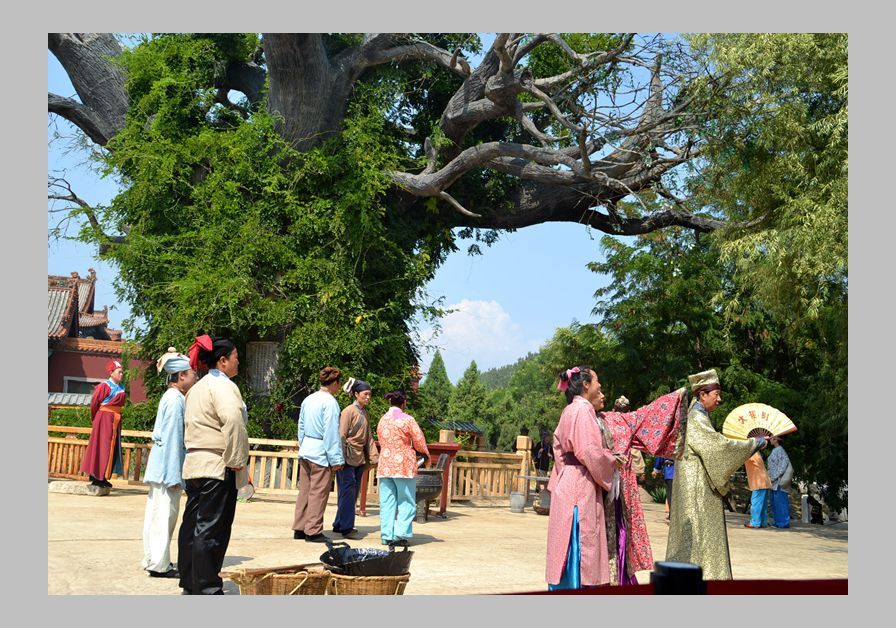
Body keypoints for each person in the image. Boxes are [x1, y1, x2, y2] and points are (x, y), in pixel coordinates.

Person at [665, 369, 767, 580]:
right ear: (702, 395)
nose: (719, 399)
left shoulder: (695, 417)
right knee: (699, 537)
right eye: (716, 394)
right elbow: (718, 448)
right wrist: (754, 444)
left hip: (695, 486)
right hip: (697, 490)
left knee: (693, 539)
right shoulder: (696, 419)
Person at [177, 335, 249, 595]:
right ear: (222, 360)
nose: (238, 362)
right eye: (235, 357)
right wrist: (237, 461)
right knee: (212, 528)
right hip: (218, 465)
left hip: (195, 463)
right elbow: (233, 421)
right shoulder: (224, 387)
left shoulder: (195, 388)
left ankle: (190, 581)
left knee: (192, 525)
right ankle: (207, 586)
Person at [545, 367, 625, 589]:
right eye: (597, 381)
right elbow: (589, 451)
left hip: (568, 481)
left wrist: (565, 474)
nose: (600, 386)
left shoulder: (568, 410)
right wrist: (611, 461)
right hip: (581, 485)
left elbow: (559, 451)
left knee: (564, 543)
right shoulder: (584, 410)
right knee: (581, 543)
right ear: (586, 384)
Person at [599, 389, 688, 585]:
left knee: (613, 528)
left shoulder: (601, 418)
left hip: (606, 480)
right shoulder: (619, 420)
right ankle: (615, 576)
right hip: (615, 481)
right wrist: (677, 395)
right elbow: (652, 412)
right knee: (617, 528)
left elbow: (650, 412)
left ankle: (609, 576)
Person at [142, 348, 197, 578]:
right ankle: (160, 564)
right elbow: (175, 439)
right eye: (192, 372)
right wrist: (176, 476)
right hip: (167, 468)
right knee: (165, 517)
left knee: (155, 515)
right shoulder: (176, 401)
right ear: (181, 376)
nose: (195, 376)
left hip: (160, 464)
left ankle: (152, 559)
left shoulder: (170, 397)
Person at [293, 367, 345, 542]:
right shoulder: (330, 403)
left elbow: (300, 425)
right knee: (318, 493)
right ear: (335, 383)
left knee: (305, 491)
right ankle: (313, 530)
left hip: (306, 448)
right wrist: (336, 459)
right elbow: (330, 433)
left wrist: (303, 445)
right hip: (321, 452)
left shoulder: (309, 399)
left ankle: (300, 527)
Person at [376, 390, 430, 546]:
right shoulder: (407, 420)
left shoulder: (382, 420)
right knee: (406, 500)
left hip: (385, 463)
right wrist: (425, 454)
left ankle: (386, 535)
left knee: (387, 501)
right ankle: (400, 535)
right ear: (404, 402)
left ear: (390, 402)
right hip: (403, 464)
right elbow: (419, 439)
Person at [331, 377, 379, 538]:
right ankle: (346, 527)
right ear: (356, 394)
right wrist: (339, 458)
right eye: (365, 394)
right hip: (347, 457)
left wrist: (374, 457)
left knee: (352, 492)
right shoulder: (348, 411)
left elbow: (369, 437)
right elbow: (341, 435)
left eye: (369, 394)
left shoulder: (365, 413)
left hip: (359, 457)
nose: (368, 397)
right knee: (347, 492)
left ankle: (339, 524)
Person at [81, 359, 126, 488]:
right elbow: (95, 403)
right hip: (104, 418)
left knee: (112, 447)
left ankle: (105, 475)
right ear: (111, 373)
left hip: (115, 419)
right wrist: (97, 419)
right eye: (119, 372)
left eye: (122, 372)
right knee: (102, 446)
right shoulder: (104, 386)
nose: (121, 374)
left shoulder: (121, 387)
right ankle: (96, 476)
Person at [767, 435, 794, 528]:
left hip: (778, 481)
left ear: (776, 440)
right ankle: (778, 522)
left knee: (780, 502)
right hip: (775, 481)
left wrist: (774, 477)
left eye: (771, 438)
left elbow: (783, 465)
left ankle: (783, 523)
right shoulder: (777, 450)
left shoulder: (779, 450)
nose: (770, 439)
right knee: (775, 503)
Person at [743, 450, 772, 529]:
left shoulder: (751, 452)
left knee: (756, 503)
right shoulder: (756, 452)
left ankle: (755, 523)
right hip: (764, 481)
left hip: (758, 482)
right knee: (763, 505)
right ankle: (763, 522)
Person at [652, 456, 675, 520]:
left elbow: (661, 454)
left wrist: (656, 470)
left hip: (671, 472)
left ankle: (673, 515)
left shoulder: (668, 445)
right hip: (682, 473)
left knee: (671, 495)